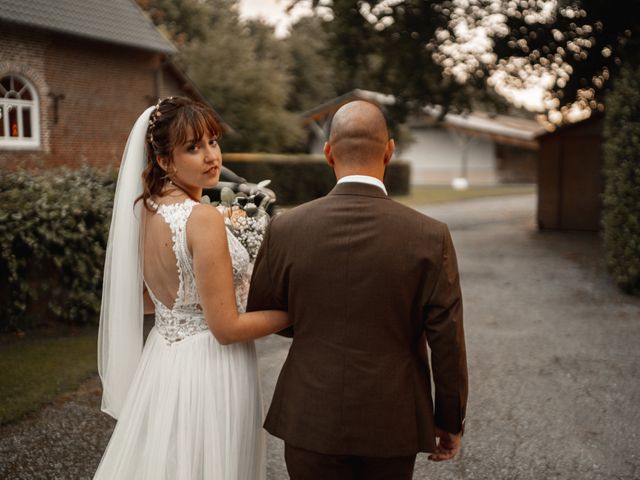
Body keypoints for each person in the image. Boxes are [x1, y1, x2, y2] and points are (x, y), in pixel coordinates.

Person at [247, 100, 468, 479]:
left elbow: (267, 314)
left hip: (309, 412)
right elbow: (447, 340)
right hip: (392, 417)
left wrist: (317, 319)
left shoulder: (285, 228)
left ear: (328, 153)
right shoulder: (430, 235)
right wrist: (449, 420)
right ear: (389, 151)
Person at [93, 97, 289, 479]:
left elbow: (149, 302)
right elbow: (226, 328)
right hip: (211, 369)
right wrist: (297, 310)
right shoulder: (203, 219)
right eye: (193, 148)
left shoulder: (144, 211)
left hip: (164, 362)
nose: (211, 156)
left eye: (212, 141)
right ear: (164, 160)